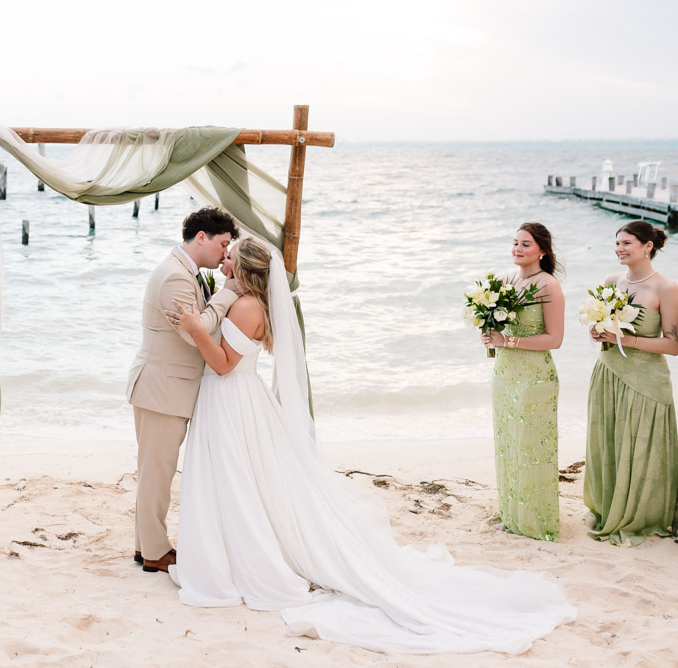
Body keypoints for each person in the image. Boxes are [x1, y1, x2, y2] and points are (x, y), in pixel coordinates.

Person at [165, 237, 575, 654]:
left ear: (244, 267)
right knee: (236, 483)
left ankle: (236, 563)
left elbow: (222, 363)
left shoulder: (248, 306)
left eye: (230, 255)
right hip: (231, 401)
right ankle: (222, 554)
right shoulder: (240, 298)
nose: (224, 257)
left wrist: (197, 329)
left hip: (232, 400)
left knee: (237, 483)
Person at [126, 206, 239, 574]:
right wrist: (228, 293)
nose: (225, 253)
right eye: (223, 244)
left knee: (154, 471)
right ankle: (156, 552)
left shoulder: (185, 272)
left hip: (166, 387)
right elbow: (194, 334)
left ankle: (147, 547)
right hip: (162, 388)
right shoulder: (175, 277)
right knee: (157, 473)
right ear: (201, 237)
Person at [585, 221, 678, 546]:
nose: (619, 249)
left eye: (626, 243)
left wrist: (628, 339)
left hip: (646, 380)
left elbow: (674, 345)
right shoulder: (612, 281)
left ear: (647, 246)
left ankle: (643, 514)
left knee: (640, 447)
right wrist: (597, 332)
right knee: (609, 441)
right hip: (608, 373)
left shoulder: (666, 288)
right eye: (617, 243)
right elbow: (602, 325)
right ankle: (610, 506)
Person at [479, 223, 565, 541]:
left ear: (542, 250)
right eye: (515, 242)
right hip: (504, 373)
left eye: (525, 244)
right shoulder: (507, 280)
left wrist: (507, 341)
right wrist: (489, 333)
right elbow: (496, 323)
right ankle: (513, 515)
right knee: (509, 443)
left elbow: (554, 340)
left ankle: (536, 521)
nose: (517, 248)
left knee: (532, 447)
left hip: (534, 376)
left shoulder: (548, 285)